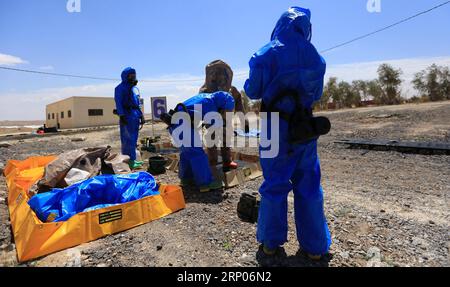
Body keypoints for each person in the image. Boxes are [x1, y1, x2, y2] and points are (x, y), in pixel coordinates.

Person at [244, 7, 331, 260]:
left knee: (274, 183)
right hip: (304, 126)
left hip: (274, 125)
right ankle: (315, 248)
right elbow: (316, 95)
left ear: (280, 24)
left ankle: (271, 244)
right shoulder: (317, 58)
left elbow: (253, 90)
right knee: (309, 184)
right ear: (306, 28)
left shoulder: (266, 52)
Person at [163, 91, 235, 192]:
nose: (223, 113)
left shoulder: (205, 97)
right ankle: (206, 183)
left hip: (174, 124)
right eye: (224, 110)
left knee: (187, 153)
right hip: (183, 125)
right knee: (198, 155)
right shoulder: (210, 103)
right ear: (222, 105)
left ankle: (186, 179)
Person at [199, 60, 246, 171]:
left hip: (226, 121)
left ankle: (227, 161)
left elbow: (239, 103)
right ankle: (212, 163)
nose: (220, 77)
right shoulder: (205, 90)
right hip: (211, 121)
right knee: (212, 143)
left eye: (222, 74)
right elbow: (199, 103)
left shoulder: (232, 90)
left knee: (226, 141)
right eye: (217, 74)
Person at [114, 67, 145, 170]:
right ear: (125, 76)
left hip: (134, 115)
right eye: (131, 76)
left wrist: (141, 115)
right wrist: (122, 115)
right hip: (127, 115)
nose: (133, 77)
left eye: (134, 75)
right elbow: (118, 102)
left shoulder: (133, 89)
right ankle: (128, 161)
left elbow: (137, 104)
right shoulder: (120, 88)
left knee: (134, 139)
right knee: (127, 139)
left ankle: (132, 159)